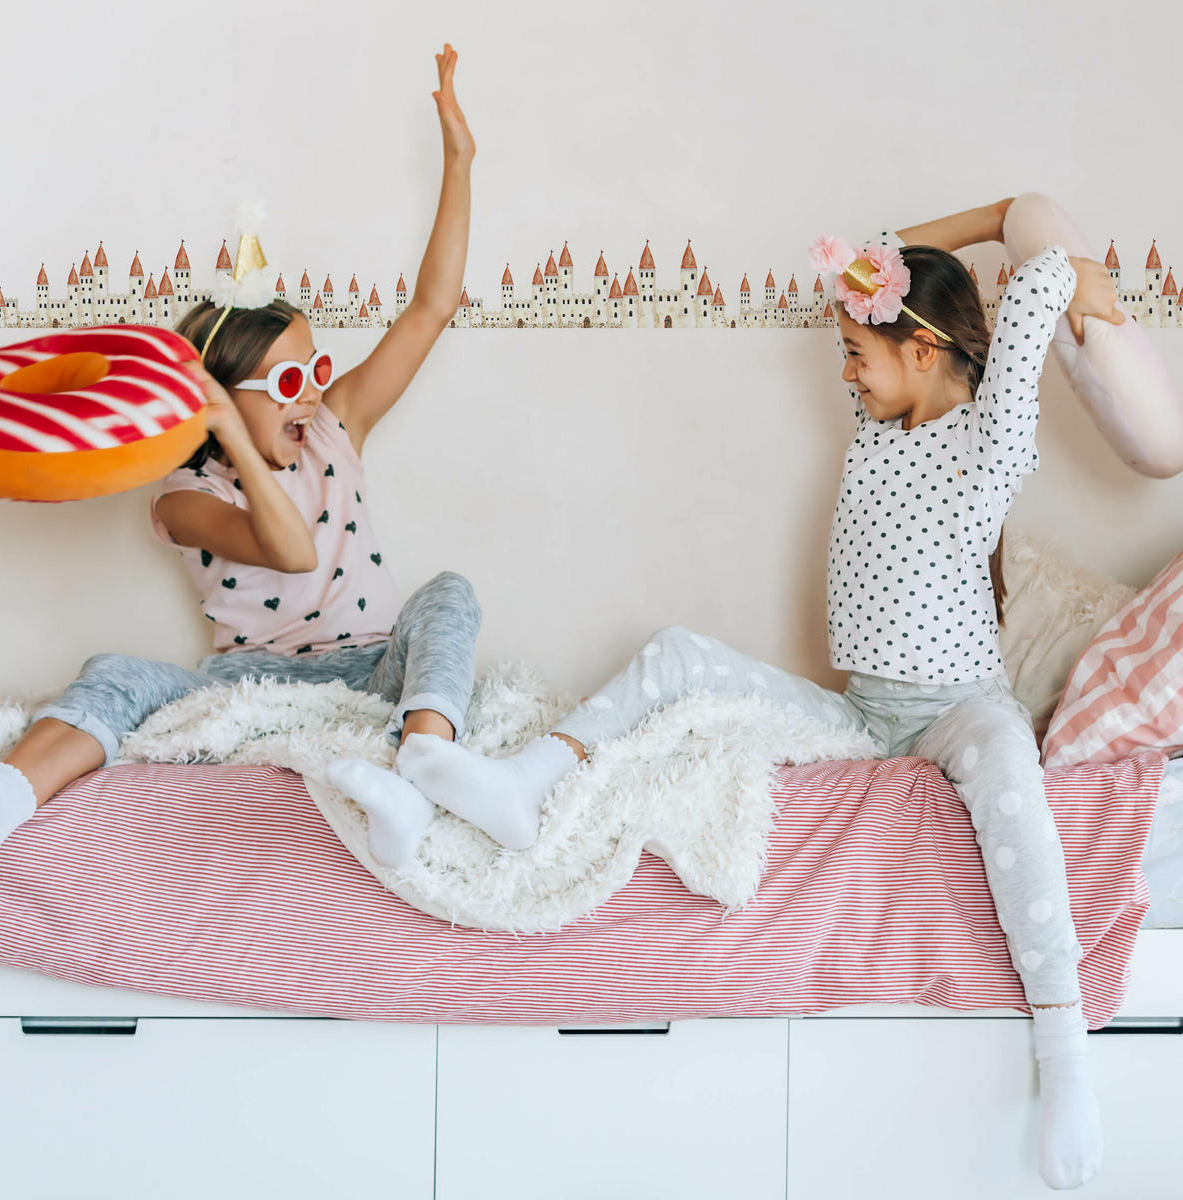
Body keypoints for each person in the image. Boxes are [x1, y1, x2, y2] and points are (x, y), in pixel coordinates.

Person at [386, 198, 1124, 1190]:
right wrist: (960, 230)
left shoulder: (987, 444)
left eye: (857, 353)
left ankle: (1063, 1039)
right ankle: (526, 779)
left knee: (1007, 761)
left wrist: (1036, 237)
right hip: (863, 713)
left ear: (923, 350)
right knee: (678, 654)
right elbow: (878, 261)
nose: (847, 374)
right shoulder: (878, 427)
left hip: (959, 705)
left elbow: (1037, 287)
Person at [0, 44, 480, 875]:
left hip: (371, 671)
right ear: (222, 394)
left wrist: (459, 161)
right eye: (286, 381)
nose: (311, 394)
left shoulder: (336, 428)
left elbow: (430, 309)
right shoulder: (184, 495)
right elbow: (292, 551)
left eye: (316, 371)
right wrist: (236, 440)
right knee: (115, 673)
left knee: (449, 597)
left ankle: (423, 770)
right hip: (250, 686)